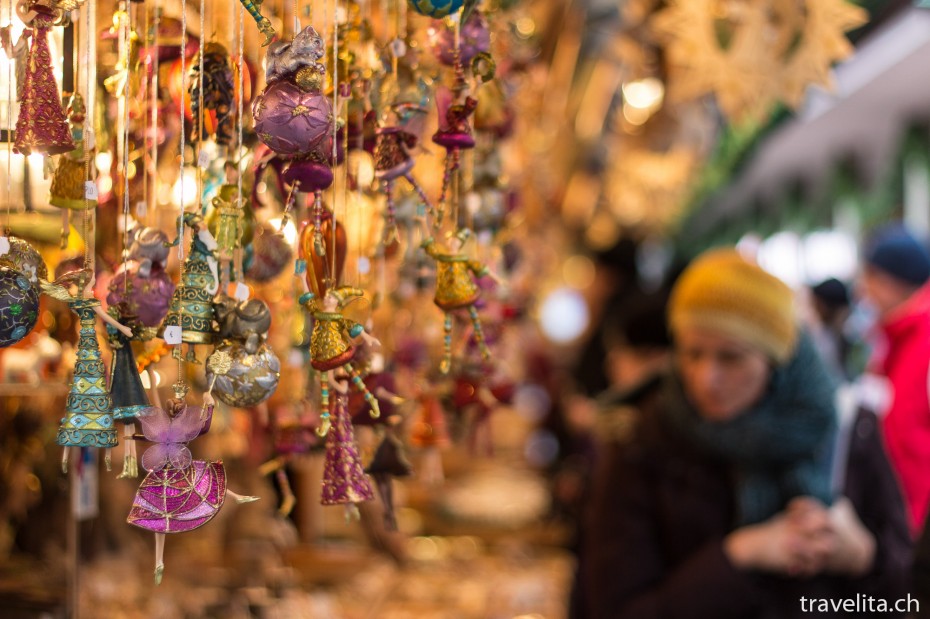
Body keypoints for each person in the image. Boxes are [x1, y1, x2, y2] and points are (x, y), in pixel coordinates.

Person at [582, 248, 911, 619]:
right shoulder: (642, 439)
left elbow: (906, 598)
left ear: (775, 362)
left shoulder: (849, 431)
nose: (707, 378)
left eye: (731, 357)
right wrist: (739, 554)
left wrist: (862, 557)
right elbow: (615, 608)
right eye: (692, 354)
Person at [857, 224, 930, 538]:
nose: (862, 290)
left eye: (868, 277)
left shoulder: (921, 339)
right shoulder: (893, 337)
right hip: (898, 515)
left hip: (917, 522)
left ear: (888, 281)